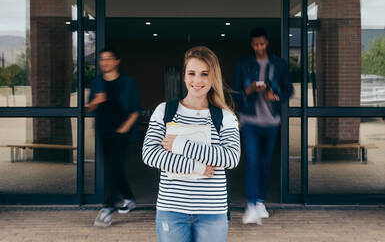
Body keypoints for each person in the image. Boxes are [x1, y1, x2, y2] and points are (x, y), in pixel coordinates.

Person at [142, 46, 240, 242]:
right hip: (171, 209)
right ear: (184, 76)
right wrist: (199, 168)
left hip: (212, 211)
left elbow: (231, 157)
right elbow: (150, 154)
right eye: (192, 73)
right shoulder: (164, 111)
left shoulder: (225, 116)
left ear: (213, 77)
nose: (197, 80)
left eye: (204, 74)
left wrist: (180, 145)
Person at [232, 28, 293, 224]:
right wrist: (248, 90)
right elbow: (234, 94)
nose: (259, 47)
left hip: (271, 123)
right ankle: (251, 205)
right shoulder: (243, 64)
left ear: (267, 43)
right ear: (252, 45)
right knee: (252, 162)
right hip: (250, 122)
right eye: (255, 44)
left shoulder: (279, 65)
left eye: (262, 44)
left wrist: (273, 96)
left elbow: (288, 90)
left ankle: (259, 202)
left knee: (266, 164)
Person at [88, 48, 141, 227]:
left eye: (108, 59)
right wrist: (97, 100)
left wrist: (123, 130)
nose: (104, 62)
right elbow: (90, 107)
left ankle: (108, 208)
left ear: (117, 61)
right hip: (103, 132)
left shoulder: (127, 82)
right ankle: (128, 197)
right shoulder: (97, 83)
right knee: (113, 168)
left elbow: (135, 110)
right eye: (102, 59)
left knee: (113, 169)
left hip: (122, 133)